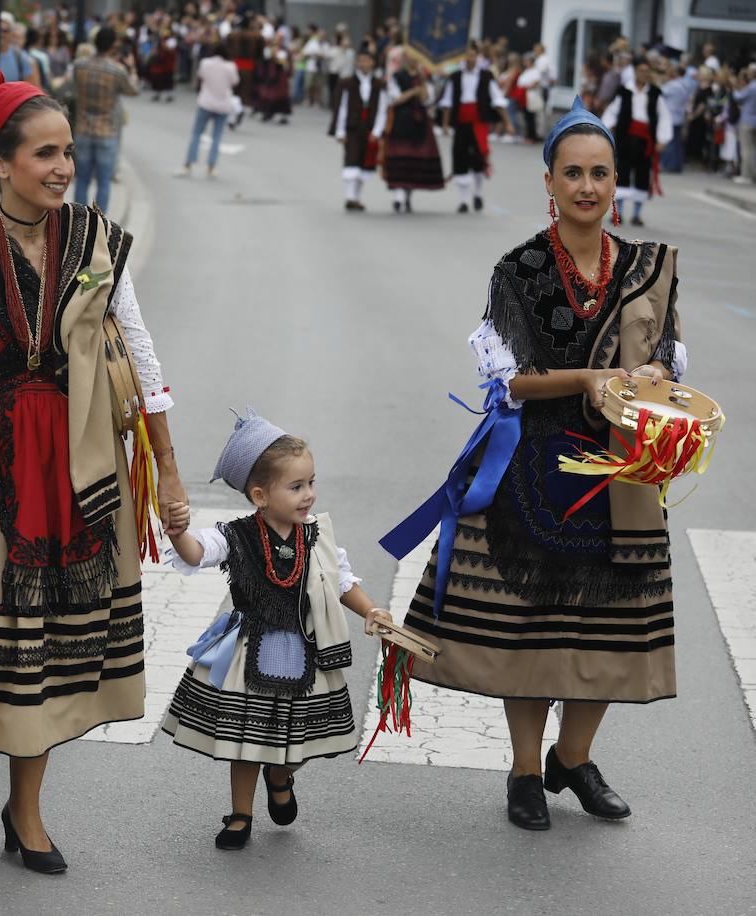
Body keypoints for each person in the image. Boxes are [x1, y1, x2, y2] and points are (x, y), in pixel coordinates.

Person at [0, 66, 186, 875]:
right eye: (44, 154)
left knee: (53, 645)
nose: (62, 168)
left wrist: (172, 479)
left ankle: (29, 806)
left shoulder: (97, 242)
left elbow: (146, 363)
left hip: (82, 467)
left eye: (67, 155)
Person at [391, 99, 686, 832]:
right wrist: (583, 382)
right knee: (528, 629)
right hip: (534, 463)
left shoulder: (652, 268)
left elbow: (672, 360)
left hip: (622, 467)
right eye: (572, 173)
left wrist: (654, 381)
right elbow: (507, 381)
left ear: (618, 181)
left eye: (600, 173)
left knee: (612, 628)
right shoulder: (517, 269)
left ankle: (573, 760)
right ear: (548, 182)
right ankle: (526, 770)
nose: (587, 186)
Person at [160, 413, 392, 850]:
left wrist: (371, 609)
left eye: (310, 483)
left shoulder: (317, 537)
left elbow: (342, 580)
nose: (309, 495)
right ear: (260, 495)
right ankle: (240, 814)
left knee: (295, 739)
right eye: (297, 486)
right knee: (246, 741)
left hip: (305, 652)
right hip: (251, 653)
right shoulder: (238, 536)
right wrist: (178, 534)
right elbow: (197, 552)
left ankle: (281, 776)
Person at [439, 42, 512, 213]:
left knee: (479, 159)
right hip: (460, 123)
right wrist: (444, 124)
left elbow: (497, 99)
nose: (469, 58)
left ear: (477, 56)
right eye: (466, 55)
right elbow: (448, 102)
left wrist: (507, 123)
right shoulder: (455, 76)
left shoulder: (486, 76)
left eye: (472, 55)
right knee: (460, 158)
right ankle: (464, 200)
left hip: (479, 123)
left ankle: (477, 193)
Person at [71, 25, 136, 213]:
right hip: (107, 130)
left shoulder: (80, 66)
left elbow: (74, 85)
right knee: (104, 180)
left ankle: (79, 219)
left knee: (82, 178)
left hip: (83, 127)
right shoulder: (116, 70)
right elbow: (133, 90)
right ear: (113, 45)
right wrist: (131, 68)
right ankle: (99, 222)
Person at [601, 58, 671, 226]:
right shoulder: (624, 91)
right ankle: (619, 213)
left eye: (646, 71)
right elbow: (612, 111)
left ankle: (637, 214)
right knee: (622, 173)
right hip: (626, 138)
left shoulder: (654, 93)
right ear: (635, 72)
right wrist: (608, 127)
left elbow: (664, 117)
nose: (643, 74)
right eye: (641, 71)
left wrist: (662, 139)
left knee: (642, 175)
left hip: (646, 141)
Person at [374, 53, 444, 213]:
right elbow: (395, 99)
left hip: (419, 122)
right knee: (399, 159)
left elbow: (427, 99)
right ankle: (398, 196)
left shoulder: (423, 78)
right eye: (410, 57)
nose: (413, 61)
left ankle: (408, 196)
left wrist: (423, 82)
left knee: (415, 161)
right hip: (400, 120)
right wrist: (413, 91)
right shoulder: (396, 77)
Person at [329, 46, 385, 211]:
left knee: (365, 162)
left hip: (369, 127)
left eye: (367, 61)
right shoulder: (347, 83)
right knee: (351, 159)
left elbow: (382, 109)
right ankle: (350, 197)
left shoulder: (379, 84)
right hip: (352, 126)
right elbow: (342, 108)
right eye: (360, 61)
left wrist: (377, 131)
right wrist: (340, 131)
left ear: (373, 63)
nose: (363, 64)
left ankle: (357, 197)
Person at [177, 42, 237, 178]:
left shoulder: (206, 63)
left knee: (197, 134)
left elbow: (201, 76)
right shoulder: (230, 67)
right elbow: (234, 82)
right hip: (222, 104)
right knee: (216, 137)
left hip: (206, 102)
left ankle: (188, 164)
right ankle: (211, 166)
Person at [0, 12, 42, 87]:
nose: (1, 34)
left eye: (5, 31)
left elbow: (32, 89)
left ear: (11, 33)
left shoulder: (20, 56)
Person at [732, 65, 756, 184]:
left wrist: (734, 88)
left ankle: (746, 175)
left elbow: (738, 97)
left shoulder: (752, 87)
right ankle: (753, 174)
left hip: (747, 121)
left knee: (746, 149)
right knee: (753, 149)